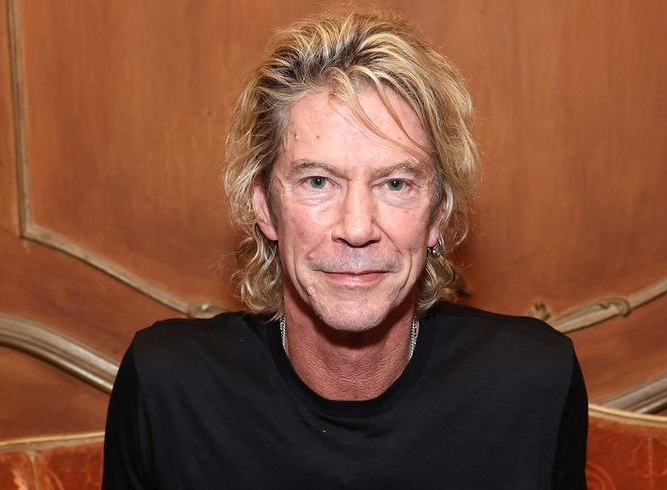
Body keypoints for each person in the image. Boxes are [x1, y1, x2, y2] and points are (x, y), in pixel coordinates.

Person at [102, 9, 587, 489]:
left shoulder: (533, 384)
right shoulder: (168, 388)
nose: (357, 228)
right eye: (318, 181)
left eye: (395, 183)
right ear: (265, 208)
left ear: (438, 213)